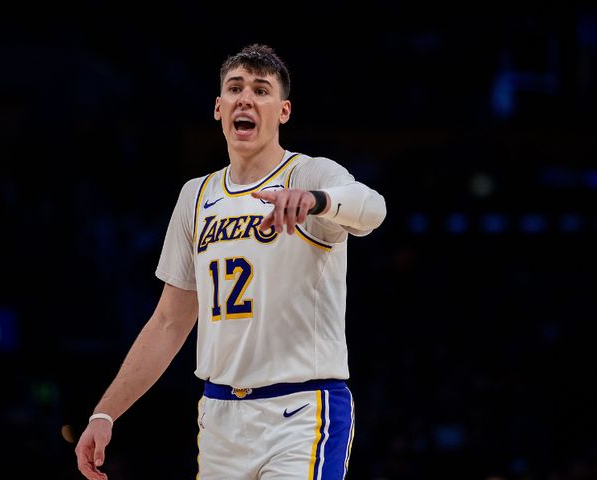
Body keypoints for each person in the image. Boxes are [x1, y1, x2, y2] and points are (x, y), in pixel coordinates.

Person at [75, 43, 386, 480]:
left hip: (301, 411)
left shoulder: (307, 174)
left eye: (261, 90)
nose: (246, 98)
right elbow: (168, 322)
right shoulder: (196, 196)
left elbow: (373, 208)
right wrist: (105, 413)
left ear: (283, 111)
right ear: (218, 108)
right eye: (235, 88)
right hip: (220, 417)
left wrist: (316, 201)